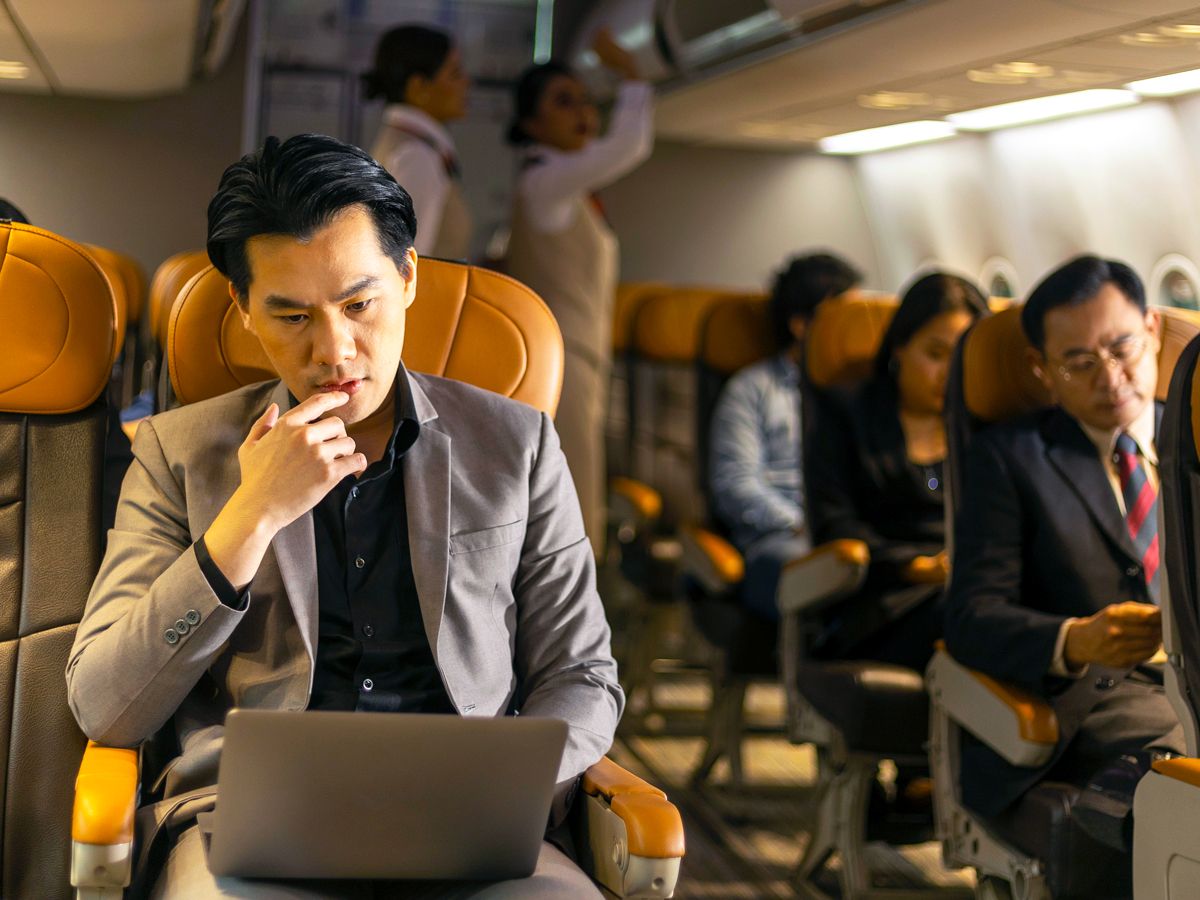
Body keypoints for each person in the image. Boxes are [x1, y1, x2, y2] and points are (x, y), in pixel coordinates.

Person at [66, 133, 622, 897]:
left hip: (472, 819)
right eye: (292, 316)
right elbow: (106, 702)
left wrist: (510, 784)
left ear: (408, 278)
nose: (336, 350)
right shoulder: (177, 453)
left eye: (360, 304)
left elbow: (584, 673)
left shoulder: (515, 444)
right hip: (247, 829)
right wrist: (249, 518)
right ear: (242, 308)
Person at [945, 255, 1183, 853]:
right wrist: (1075, 639)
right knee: (1181, 757)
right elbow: (971, 616)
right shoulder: (1011, 457)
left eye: (1123, 347)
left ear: (1153, 330)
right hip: (1103, 696)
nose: (1110, 377)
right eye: (1079, 362)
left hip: (1191, 675)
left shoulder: (1192, 439)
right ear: (1041, 368)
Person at [504, 30, 654, 559]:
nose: (582, 113)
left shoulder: (562, 186)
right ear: (531, 125)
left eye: (586, 101)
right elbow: (630, 144)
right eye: (564, 103)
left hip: (578, 361)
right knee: (572, 508)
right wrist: (633, 74)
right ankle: (567, 635)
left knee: (571, 501)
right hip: (562, 366)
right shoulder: (548, 181)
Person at [807, 272, 988, 670]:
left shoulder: (984, 425)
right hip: (881, 599)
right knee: (972, 617)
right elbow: (834, 524)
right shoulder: (847, 413)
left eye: (961, 358)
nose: (949, 374)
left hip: (972, 588)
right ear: (900, 345)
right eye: (936, 354)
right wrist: (916, 566)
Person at [708, 252, 862, 620]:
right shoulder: (752, 389)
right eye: (843, 318)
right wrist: (802, 523)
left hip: (850, 537)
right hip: (781, 537)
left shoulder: (861, 395)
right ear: (800, 324)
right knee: (829, 575)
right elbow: (735, 484)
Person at [365, 24, 471, 260]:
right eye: (455, 74)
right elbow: (411, 261)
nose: (466, 82)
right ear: (418, 87)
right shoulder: (417, 156)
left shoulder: (412, 146)